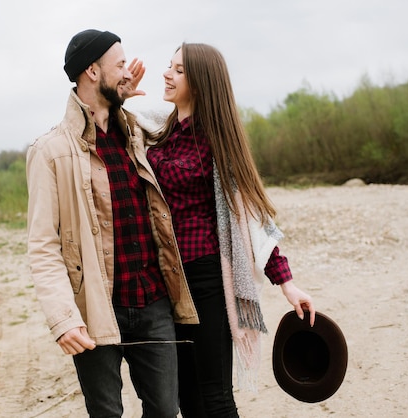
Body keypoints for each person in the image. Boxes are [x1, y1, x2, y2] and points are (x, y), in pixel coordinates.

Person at [25, 29, 198, 418]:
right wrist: (63, 320)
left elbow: (184, 128)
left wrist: (123, 96)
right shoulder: (49, 152)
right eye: (120, 65)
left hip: (154, 303)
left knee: (167, 412)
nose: (129, 72)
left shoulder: (135, 133)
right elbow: (43, 246)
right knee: (106, 414)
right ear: (91, 70)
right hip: (96, 309)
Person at [145, 43, 316, 418]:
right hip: (168, 280)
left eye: (178, 70)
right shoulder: (160, 130)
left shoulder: (215, 142)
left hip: (207, 278)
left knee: (215, 395)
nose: (166, 74)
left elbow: (253, 219)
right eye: (168, 66)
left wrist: (286, 283)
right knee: (185, 397)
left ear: (201, 82)